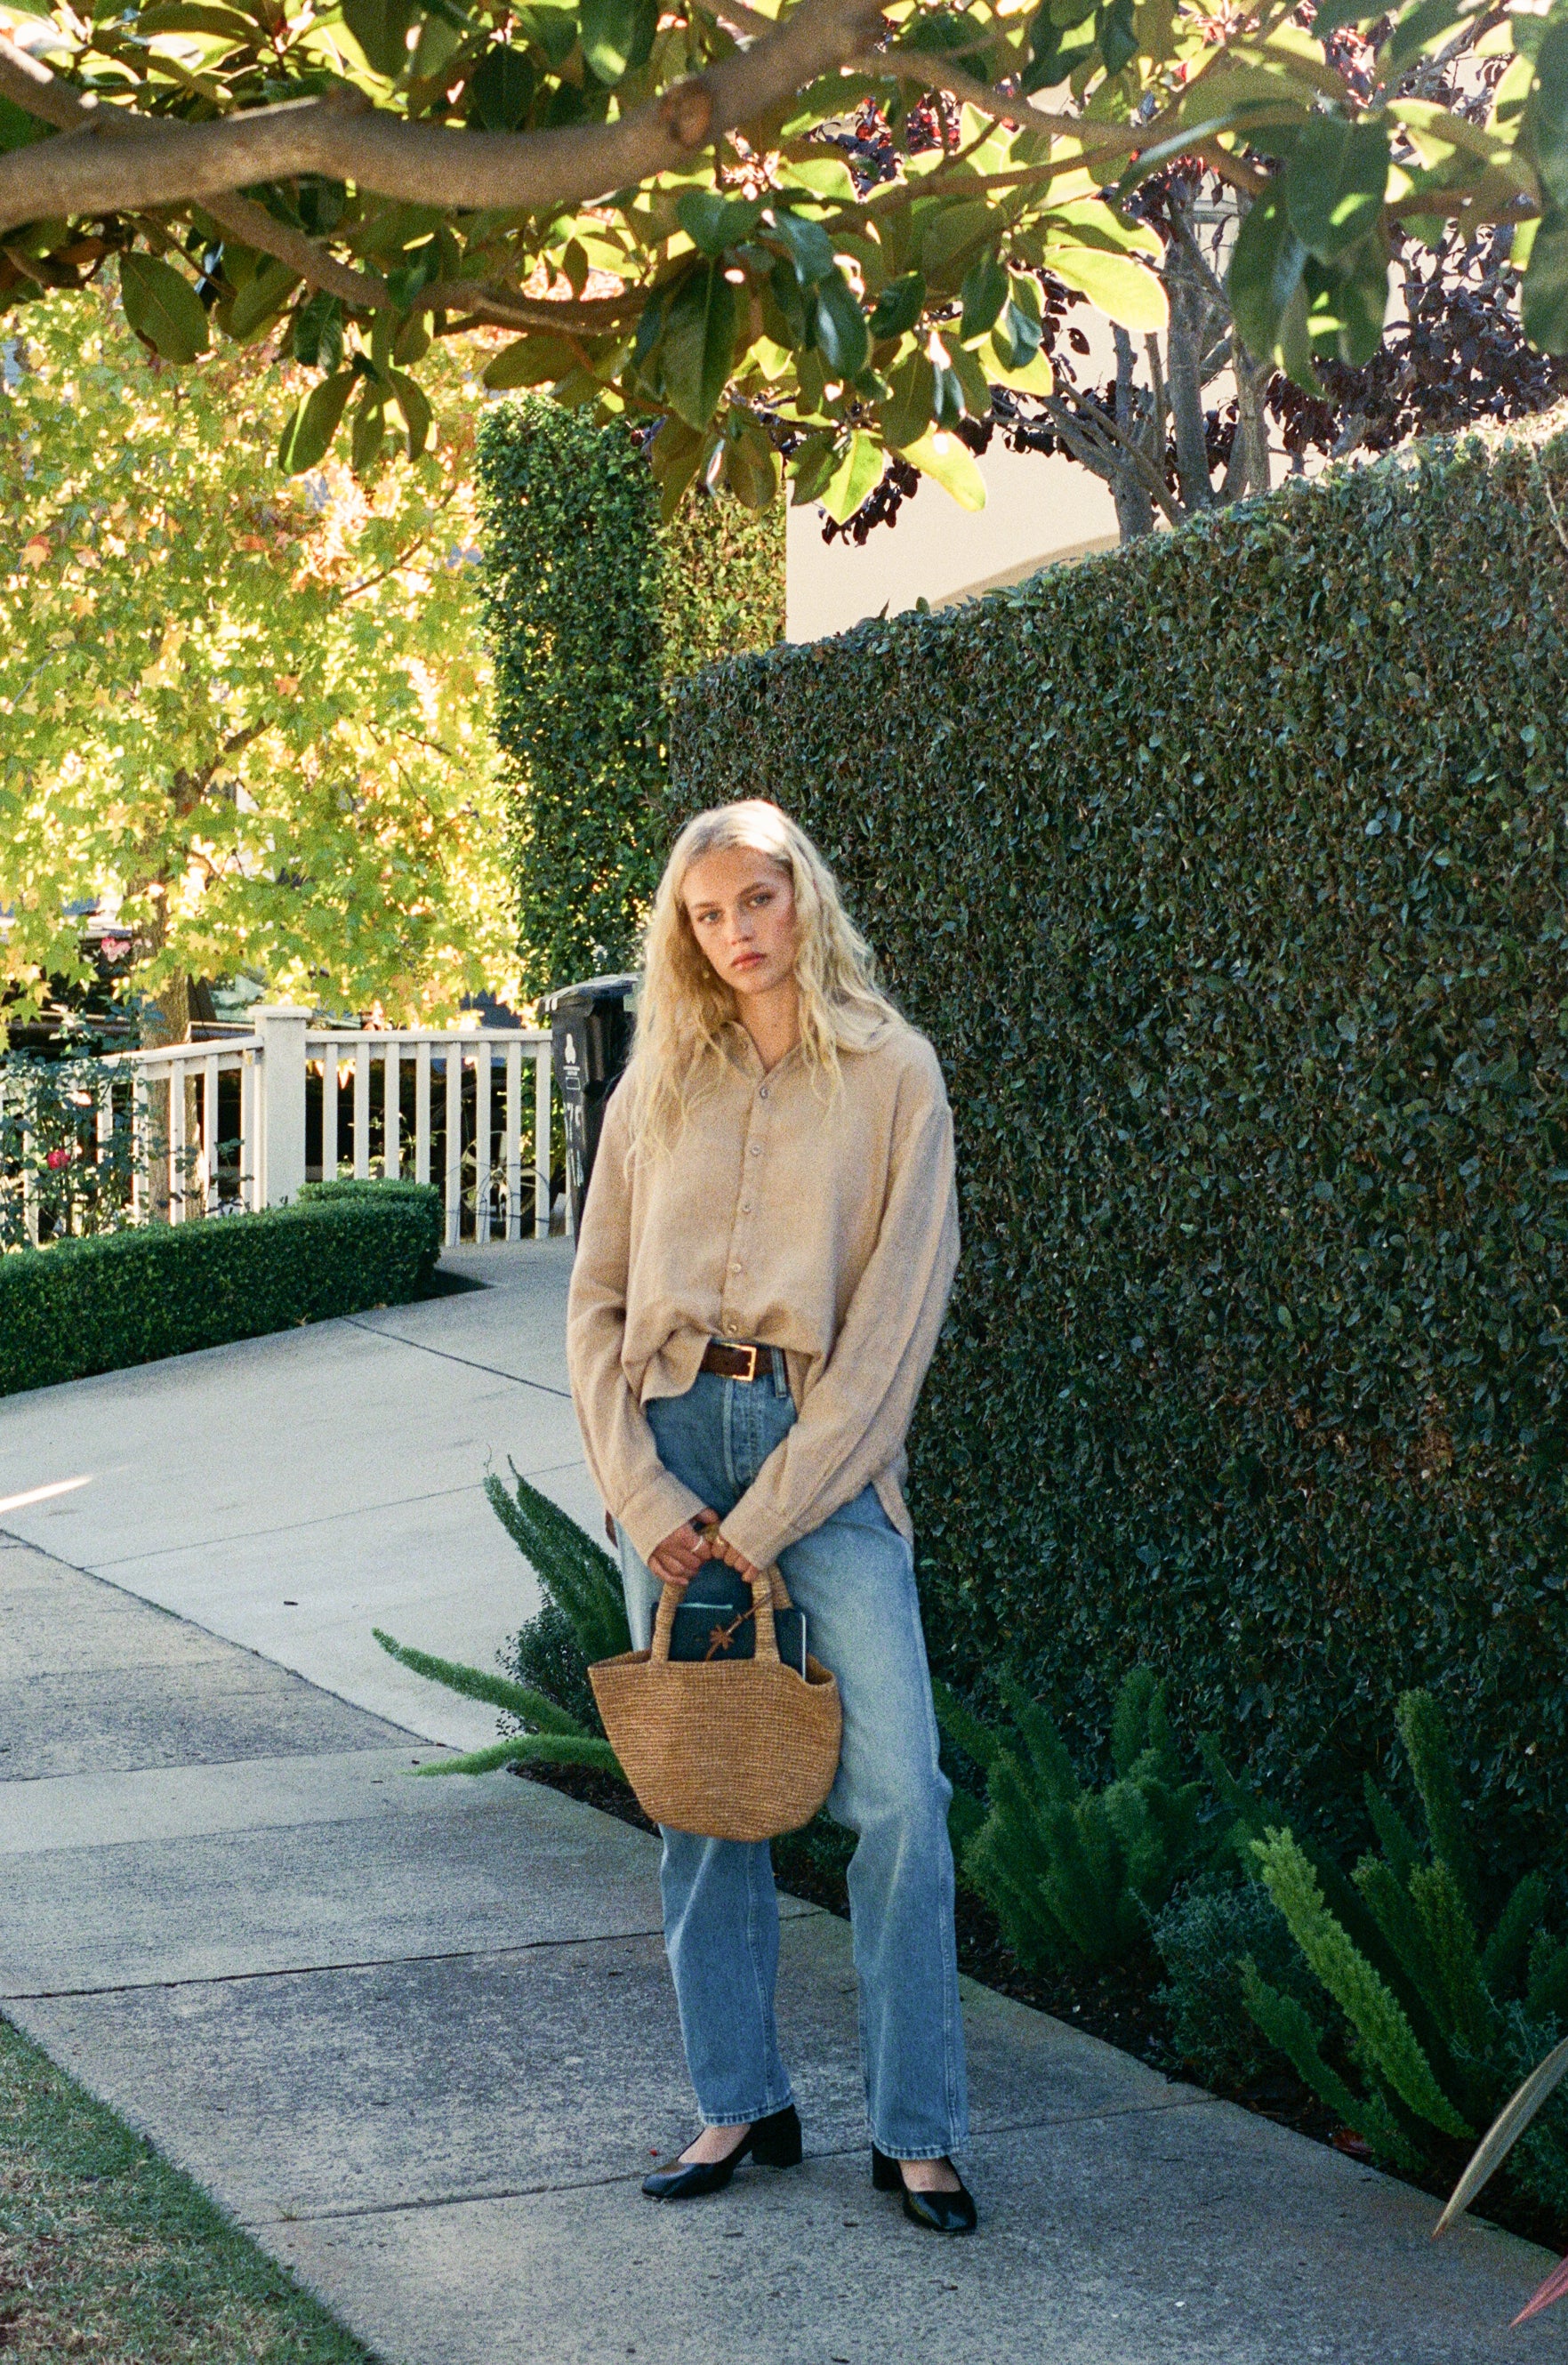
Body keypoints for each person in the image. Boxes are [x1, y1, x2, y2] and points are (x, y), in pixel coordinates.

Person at [566, 798, 974, 2237]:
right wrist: (643, 1495)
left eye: (758, 899)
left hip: (828, 1463)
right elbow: (595, 1306)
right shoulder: (655, 1083)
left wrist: (769, 1516)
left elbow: (897, 1323)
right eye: (707, 914)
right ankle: (740, 2101)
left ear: (806, 897)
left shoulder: (895, 1075)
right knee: (701, 1791)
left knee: (903, 1796)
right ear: (684, 934)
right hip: (674, 1454)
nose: (737, 933)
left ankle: (916, 2129)